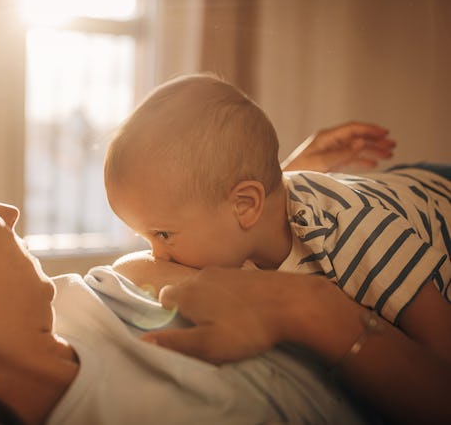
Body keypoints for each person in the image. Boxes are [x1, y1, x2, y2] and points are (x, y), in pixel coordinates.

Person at [0, 116, 377, 425]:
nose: (8, 210)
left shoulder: (98, 295)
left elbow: (202, 259)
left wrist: (283, 189)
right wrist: (317, 319)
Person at [103, 73, 451, 424]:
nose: (157, 254)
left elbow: (440, 361)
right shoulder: (246, 220)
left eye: (162, 234)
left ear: (245, 205)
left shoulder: (357, 236)